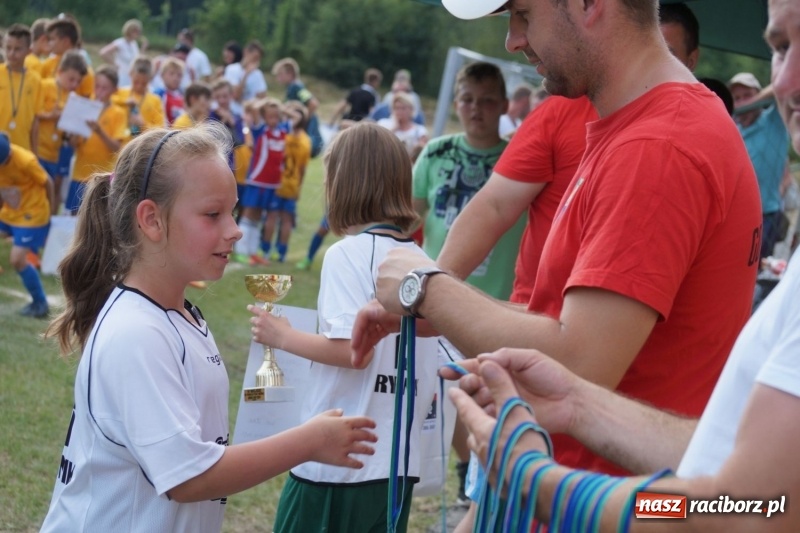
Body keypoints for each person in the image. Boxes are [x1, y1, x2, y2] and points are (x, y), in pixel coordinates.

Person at [354, 0, 761, 486]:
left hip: (604, 495)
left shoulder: (655, 148)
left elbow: (580, 365)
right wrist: (442, 309)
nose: (513, 40)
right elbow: (566, 320)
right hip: (580, 486)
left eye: (523, 13)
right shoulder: (641, 126)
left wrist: (426, 287)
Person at [442, 4, 800, 527]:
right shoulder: (626, 124)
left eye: (522, 12)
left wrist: (546, 487)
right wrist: (578, 408)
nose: (787, 81)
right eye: (780, 48)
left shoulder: (659, 142)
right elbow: (730, 472)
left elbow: (745, 507)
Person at [40, 123, 377, 532]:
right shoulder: (136, 333)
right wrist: (310, 441)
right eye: (213, 214)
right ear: (151, 220)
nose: (234, 230)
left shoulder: (181, 315)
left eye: (232, 212)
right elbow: (188, 477)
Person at [248, 122, 437, 532]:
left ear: (341, 184)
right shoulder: (423, 260)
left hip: (337, 464)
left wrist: (281, 336)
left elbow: (352, 353)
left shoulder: (346, 255)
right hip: (396, 466)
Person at [414, 62, 523, 302]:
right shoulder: (435, 152)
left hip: (496, 302)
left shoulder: (522, 159)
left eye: (487, 100)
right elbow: (407, 217)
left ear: (504, 105)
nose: (476, 108)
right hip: (435, 294)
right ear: (455, 105)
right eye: (467, 99)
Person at [729, 73, 790, 261]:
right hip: (733, 217)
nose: (741, 103)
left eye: (747, 95)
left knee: (754, 268)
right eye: (737, 99)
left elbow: (782, 85)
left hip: (766, 216)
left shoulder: (773, 120)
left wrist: (754, 101)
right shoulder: (733, 128)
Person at [0, 133, 54, 318]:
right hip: (10, 211)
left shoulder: (25, 161)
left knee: (17, 259)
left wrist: (51, 213)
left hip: (32, 213)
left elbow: (49, 183)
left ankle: (40, 303)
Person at [66, 65, 128, 215]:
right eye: (97, 86)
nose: (99, 92)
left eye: (105, 88)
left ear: (114, 90)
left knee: (98, 217)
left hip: (102, 177)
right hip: (80, 174)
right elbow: (73, 144)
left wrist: (99, 131)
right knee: (75, 216)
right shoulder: (85, 106)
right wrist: (73, 132)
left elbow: (116, 147)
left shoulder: (118, 113)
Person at [234, 97, 286, 265]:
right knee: (249, 213)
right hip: (257, 180)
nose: (274, 120)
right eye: (270, 116)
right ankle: (240, 250)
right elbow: (255, 110)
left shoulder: (282, 133)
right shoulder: (259, 130)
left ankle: (252, 251)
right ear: (264, 116)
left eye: (276, 116)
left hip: (273, 183)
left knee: (258, 217)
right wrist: (266, 103)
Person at [36, 50, 86, 212]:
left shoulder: (73, 97)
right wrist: (52, 115)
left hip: (58, 151)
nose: (74, 84)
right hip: (40, 148)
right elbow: (34, 114)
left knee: (55, 187)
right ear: (60, 72)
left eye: (78, 81)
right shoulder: (44, 86)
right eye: (71, 79)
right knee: (37, 188)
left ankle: (50, 222)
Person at [262, 101, 311, 263]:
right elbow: (303, 168)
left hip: (277, 182)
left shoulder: (284, 134)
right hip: (292, 185)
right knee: (287, 220)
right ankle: (281, 252)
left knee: (272, 217)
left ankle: (265, 249)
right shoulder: (306, 141)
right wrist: (299, 188)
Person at [1, 24, 42, 153]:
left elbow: (35, 121)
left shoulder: (35, 80)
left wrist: (34, 154)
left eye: (17, 49)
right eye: (8, 48)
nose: (12, 53)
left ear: (29, 51)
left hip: (22, 149)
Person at [272, 57, 323, 157]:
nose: (278, 78)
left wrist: (303, 121)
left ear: (290, 74)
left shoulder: (296, 86)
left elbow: (313, 103)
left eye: (280, 75)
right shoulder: (291, 87)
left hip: (308, 129)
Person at [113, 56, 167, 137]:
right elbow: (106, 101)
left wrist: (143, 124)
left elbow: (161, 129)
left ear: (150, 79)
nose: (139, 86)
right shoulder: (120, 93)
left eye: (144, 83)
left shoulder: (155, 100)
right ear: (130, 74)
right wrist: (124, 102)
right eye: (136, 82)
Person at [41, 17, 94, 99]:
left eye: (52, 39)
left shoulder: (86, 72)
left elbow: (86, 105)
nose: (49, 43)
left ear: (65, 41)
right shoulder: (48, 64)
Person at [377, 92, 429, 162]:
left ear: (411, 110)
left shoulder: (420, 130)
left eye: (403, 108)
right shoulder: (383, 123)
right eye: (396, 108)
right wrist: (395, 128)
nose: (399, 111)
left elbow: (423, 153)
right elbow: (378, 145)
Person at [99, 19, 147, 88]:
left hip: (131, 75)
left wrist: (143, 48)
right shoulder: (120, 43)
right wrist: (114, 64)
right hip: (121, 75)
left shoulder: (134, 44)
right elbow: (103, 52)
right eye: (136, 32)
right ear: (130, 31)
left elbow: (138, 59)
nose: (138, 34)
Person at [224, 40, 267, 112]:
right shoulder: (232, 69)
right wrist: (246, 75)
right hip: (234, 110)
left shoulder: (258, 74)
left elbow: (262, 98)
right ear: (246, 52)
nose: (256, 61)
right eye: (255, 57)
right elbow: (235, 96)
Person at [152, 57, 186, 125]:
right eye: (171, 74)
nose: (175, 78)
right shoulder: (159, 94)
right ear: (162, 75)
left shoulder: (182, 97)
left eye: (179, 75)